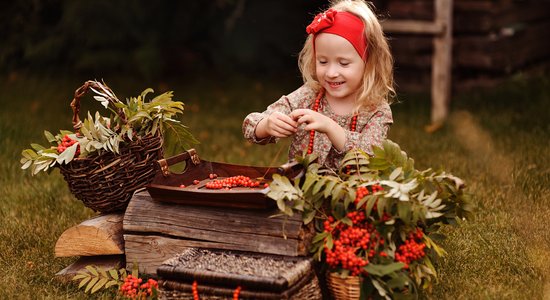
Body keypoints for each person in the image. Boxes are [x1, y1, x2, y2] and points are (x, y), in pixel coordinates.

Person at [243, 0, 395, 170]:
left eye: (343, 63)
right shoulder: (309, 95)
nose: (331, 73)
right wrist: (267, 125)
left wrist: (330, 127)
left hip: (351, 194)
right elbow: (251, 125)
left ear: (369, 63)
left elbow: (372, 154)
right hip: (300, 192)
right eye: (323, 61)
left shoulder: (375, 110)